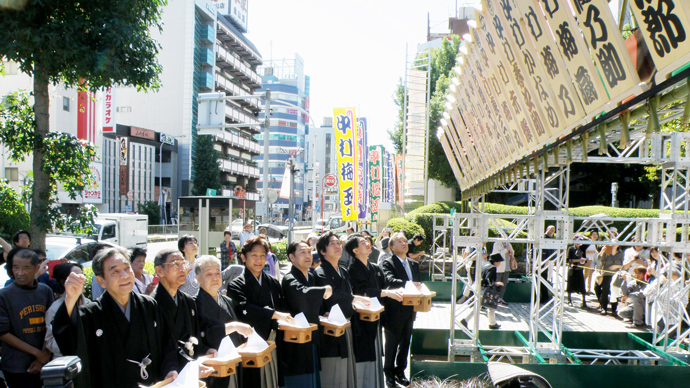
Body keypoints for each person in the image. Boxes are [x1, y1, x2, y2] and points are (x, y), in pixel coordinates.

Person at [53, 247, 179, 388]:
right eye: (115, 271)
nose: (125, 275)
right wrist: (70, 299)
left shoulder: (149, 305)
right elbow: (68, 338)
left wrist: (170, 370)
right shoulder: (91, 314)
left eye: (127, 268)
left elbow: (168, 344)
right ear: (101, 281)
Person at [227, 236, 294, 388]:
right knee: (253, 381)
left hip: (272, 339)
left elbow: (282, 308)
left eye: (263, 256)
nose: (259, 260)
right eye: (254, 255)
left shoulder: (272, 281)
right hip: (249, 343)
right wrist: (274, 314)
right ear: (243, 257)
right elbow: (245, 309)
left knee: (273, 378)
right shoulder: (236, 284)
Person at [346, 235, 403, 388]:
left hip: (376, 319)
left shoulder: (375, 268)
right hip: (361, 322)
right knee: (364, 357)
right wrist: (386, 293)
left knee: (376, 355)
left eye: (368, 241)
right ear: (355, 250)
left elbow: (385, 288)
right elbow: (362, 292)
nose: (368, 244)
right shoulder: (352, 269)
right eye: (363, 243)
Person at [315, 231, 370, 388]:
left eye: (338, 243)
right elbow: (333, 295)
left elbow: (347, 295)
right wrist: (355, 299)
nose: (337, 246)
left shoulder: (343, 270)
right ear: (322, 251)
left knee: (345, 370)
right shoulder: (320, 272)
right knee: (332, 372)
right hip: (330, 328)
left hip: (346, 325)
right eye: (332, 244)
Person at [194, 255, 254, 388]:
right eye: (209, 274)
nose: (215, 277)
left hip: (234, 361)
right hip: (213, 366)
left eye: (217, 273)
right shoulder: (194, 303)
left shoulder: (227, 300)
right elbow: (203, 333)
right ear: (198, 278)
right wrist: (233, 326)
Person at [151, 250, 215, 373]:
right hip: (166, 373)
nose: (183, 269)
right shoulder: (151, 304)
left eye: (183, 263)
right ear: (159, 271)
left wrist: (204, 350)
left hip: (189, 369)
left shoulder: (188, 301)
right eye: (175, 264)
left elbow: (194, 336)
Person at [281, 241, 332, 388]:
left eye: (309, 252)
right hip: (296, 339)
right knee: (299, 380)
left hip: (311, 336)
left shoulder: (311, 276)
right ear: (292, 257)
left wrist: (324, 312)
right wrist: (324, 289)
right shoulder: (289, 278)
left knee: (312, 378)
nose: (308, 256)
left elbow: (317, 303)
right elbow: (303, 295)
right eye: (302, 252)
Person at [0, 249, 54, 388]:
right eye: (16, 267)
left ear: (36, 268)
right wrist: (37, 354)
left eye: (26, 268)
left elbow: (51, 325)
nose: (20, 273)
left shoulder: (45, 291)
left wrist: (43, 356)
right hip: (16, 366)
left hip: (45, 362)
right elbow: (3, 333)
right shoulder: (4, 295)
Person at [380, 232, 421, 388]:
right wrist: (409, 284)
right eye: (399, 241)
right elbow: (389, 281)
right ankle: (389, 375)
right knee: (391, 344)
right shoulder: (387, 262)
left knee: (405, 343)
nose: (404, 243)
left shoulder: (414, 264)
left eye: (405, 240)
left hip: (410, 310)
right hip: (393, 310)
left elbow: (419, 284)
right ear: (391, 247)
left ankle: (400, 373)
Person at [45, 262, 89, 359]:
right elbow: (50, 341)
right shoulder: (55, 308)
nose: (81, 279)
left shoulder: (90, 303)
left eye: (82, 275)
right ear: (63, 282)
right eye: (75, 277)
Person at [461, 253, 504, 331]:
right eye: (499, 261)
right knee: (490, 306)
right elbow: (488, 279)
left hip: (479, 287)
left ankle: (465, 320)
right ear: (495, 261)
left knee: (478, 307)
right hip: (485, 289)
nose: (500, 263)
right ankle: (492, 324)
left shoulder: (485, 265)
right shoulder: (493, 268)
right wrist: (494, 284)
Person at [595, 244, 623, 317]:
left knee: (614, 292)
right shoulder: (607, 253)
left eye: (615, 243)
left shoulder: (620, 254)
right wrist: (602, 251)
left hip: (616, 275)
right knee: (605, 291)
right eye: (611, 243)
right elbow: (599, 258)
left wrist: (616, 266)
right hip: (606, 274)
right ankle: (604, 308)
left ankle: (614, 309)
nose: (613, 245)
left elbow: (624, 265)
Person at [566, 237, 587, 309]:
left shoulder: (583, 248)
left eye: (580, 240)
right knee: (570, 284)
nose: (578, 242)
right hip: (572, 269)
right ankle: (569, 299)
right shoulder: (570, 249)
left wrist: (584, 260)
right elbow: (568, 260)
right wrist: (578, 260)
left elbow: (589, 241)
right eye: (577, 240)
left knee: (582, 285)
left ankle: (584, 301)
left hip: (580, 269)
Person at [490, 241, 513, 306]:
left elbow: (512, 251)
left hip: (507, 267)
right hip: (499, 268)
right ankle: (493, 299)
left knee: (503, 284)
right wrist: (506, 250)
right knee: (496, 284)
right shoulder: (496, 244)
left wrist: (511, 253)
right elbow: (497, 255)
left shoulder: (508, 244)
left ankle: (500, 298)